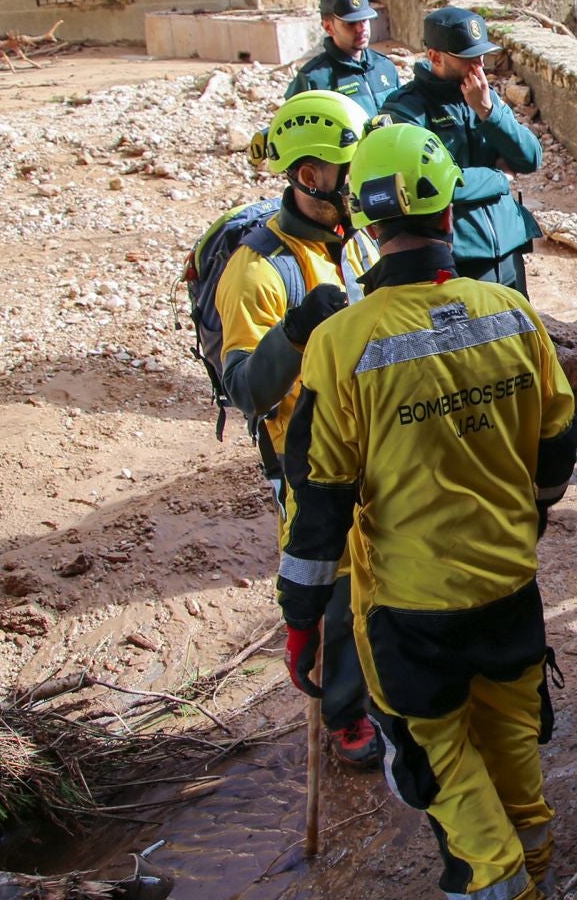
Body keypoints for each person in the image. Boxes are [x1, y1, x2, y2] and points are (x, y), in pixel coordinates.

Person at [276, 121, 577, 900]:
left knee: (443, 772)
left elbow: (317, 508)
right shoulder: (513, 316)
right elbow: (555, 451)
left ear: (369, 230)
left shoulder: (340, 345)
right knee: (516, 760)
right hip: (510, 594)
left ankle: (500, 881)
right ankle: (531, 869)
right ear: (450, 215)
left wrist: (302, 622)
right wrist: (523, 522)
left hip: (410, 616)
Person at [217, 90, 382, 768]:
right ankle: (345, 715)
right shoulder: (257, 271)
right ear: (312, 175)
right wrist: (293, 330)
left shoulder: (361, 240)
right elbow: (247, 388)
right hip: (310, 464)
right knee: (335, 594)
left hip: (375, 442)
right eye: (352, 166)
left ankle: (386, 685)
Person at [379, 7, 543, 292]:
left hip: (508, 246)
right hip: (460, 256)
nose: (479, 65)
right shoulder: (406, 109)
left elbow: (530, 158)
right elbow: (429, 186)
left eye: (481, 55)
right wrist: (497, 178)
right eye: (467, 57)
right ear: (435, 57)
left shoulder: (482, 95)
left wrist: (488, 113)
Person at [284, 0, 403, 118]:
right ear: (328, 27)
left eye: (364, 20)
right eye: (351, 24)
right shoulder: (313, 80)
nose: (360, 29)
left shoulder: (384, 66)